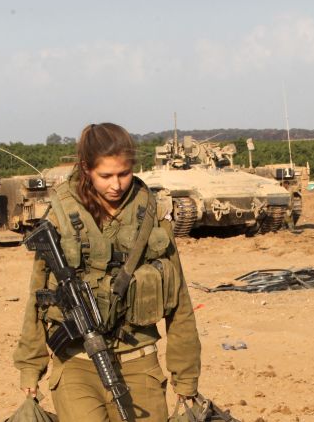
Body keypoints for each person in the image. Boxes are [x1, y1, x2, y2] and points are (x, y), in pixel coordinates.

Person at [14, 122, 201, 422]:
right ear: (86, 169)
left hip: (139, 360)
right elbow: (38, 298)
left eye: (124, 174)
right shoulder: (62, 217)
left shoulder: (150, 216)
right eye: (106, 176)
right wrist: (30, 367)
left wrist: (186, 375)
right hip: (76, 364)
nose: (116, 185)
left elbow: (179, 302)